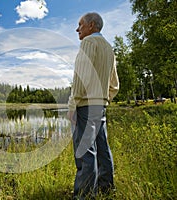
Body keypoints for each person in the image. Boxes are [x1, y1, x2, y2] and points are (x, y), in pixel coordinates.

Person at [67, 12, 119, 199]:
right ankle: (106, 189)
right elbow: (115, 84)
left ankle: (85, 196)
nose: (77, 29)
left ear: (91, 26)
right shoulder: (108, 48)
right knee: (102, 148)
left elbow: (81, 76)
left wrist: (73, 105)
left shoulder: (88, 43)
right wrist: (104, 99)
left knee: (85, 151)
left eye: (80, 24)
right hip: (100, 106)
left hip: (86, 105)